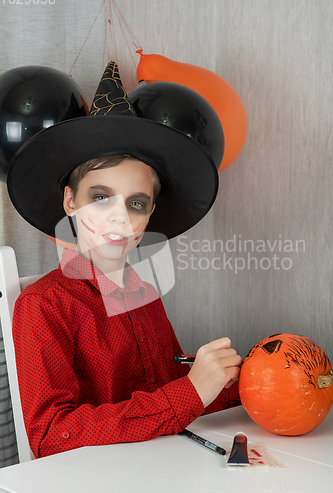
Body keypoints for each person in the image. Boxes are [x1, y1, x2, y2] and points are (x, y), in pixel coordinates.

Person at [8, 62, 242, 458]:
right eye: (101, 197)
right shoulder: (42, 306)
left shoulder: (143, 291)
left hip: (157, 466)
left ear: (149, 215)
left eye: (136, 203)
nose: (120, 217)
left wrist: (238, 380)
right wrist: (189, 392)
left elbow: (165, 391)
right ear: (70, 201)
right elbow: (50, 435)